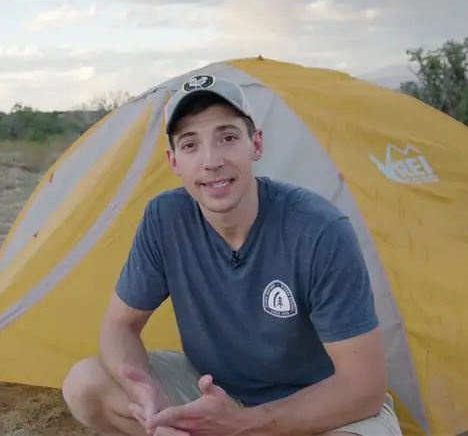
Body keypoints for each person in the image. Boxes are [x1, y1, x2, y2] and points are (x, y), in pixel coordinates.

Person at [60, 74, 402, 436]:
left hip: (315, 407)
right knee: (85, 384)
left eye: (227, 138)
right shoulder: (165, 219)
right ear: (173, 160)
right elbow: (118, 325)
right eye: (190, 145)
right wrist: (149, 397)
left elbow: (363, 387)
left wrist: (242, 427)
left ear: (255, 144)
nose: (211, 161)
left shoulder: (319, 230)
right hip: (216, 392)